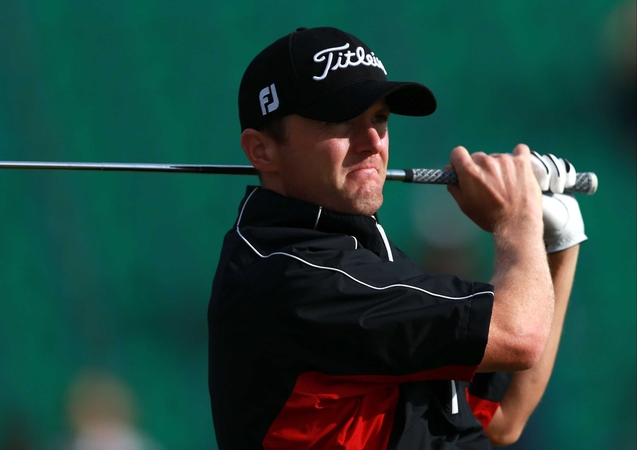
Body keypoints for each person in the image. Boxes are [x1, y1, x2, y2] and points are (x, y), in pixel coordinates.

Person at [208, 27, 586, 449]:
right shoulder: (292, 273)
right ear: (261, 151)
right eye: (337, 119)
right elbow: (519, 337)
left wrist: (558, 241)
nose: (372, 141)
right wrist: (517, 220)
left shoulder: (367, 262)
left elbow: (502, 416)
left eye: (379, 118)